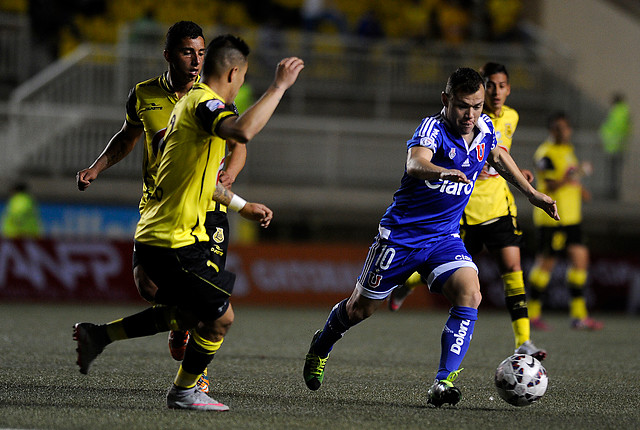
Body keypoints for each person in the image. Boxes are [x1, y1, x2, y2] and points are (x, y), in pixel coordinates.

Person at [73, 35, 304, 411]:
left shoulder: (186, 107)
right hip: (173, 238)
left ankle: (98, 336)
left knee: (194, 313)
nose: (242, 84)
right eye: (243, 78)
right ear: (233, 73)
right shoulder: (203, 105)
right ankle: (184, 390)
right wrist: (279, 86)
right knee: (220, 317)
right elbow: (242, 132)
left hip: (169, 231)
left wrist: (241, 206)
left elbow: (197, 177)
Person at [302, 68, 558, 407]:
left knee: (470, 292)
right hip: (401, 237)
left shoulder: (485, 128)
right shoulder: (432, 128)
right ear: (446, 100)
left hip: (444, 237)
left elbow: (497, 154)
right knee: (360, 309)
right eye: (463, 106)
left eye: (477, 106)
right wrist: (443, 171)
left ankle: (443, 381)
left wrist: (531, 193)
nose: (470, 115)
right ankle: (322, 344)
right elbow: (415, 163)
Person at [75, 21, 245, 393]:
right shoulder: (144, 94)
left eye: (201, 53)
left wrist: (229, 175)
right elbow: (127, 137)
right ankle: (176, 324)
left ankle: (191, 377)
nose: (196, 60)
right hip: (159, 209)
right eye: (188, 52)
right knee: (148, 288)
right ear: (169, 55)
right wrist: (96, 166)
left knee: (205, 306)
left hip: (205, 212)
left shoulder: (211, 97)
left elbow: (240, 145)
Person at [388, 62, 546, 361]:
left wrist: (521, 178)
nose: (496, 92)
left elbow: (499, 154)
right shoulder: (469, 118)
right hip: (463, 209)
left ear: (508, 89)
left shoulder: (510, 117)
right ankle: (406, 282)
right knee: (442, 267)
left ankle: (524, 341)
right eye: (492, 85)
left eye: (502, 86)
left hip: (499, 206)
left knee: (512, 269)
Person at [528, 112, 603, 331]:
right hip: (552, 219)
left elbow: (572, 178)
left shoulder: (567, 151)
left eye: (566, 128)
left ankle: (579, 316)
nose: (564, 132)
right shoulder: (545, 153)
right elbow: (550, 185)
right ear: (552, 130)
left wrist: (581, 189)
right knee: (546, 264)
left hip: (572, 217)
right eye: (559, 128)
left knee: (581, 260)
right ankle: (532, 314)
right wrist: (574, 175)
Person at [599, 92, 632, 199]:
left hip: (613, 146)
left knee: (612, 172)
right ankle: (614, 192)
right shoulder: (625, 111)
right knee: (615, 172)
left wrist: (603, 134)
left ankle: (612, 193)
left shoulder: (616, 111)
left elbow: (611, 127)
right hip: (619, 145)